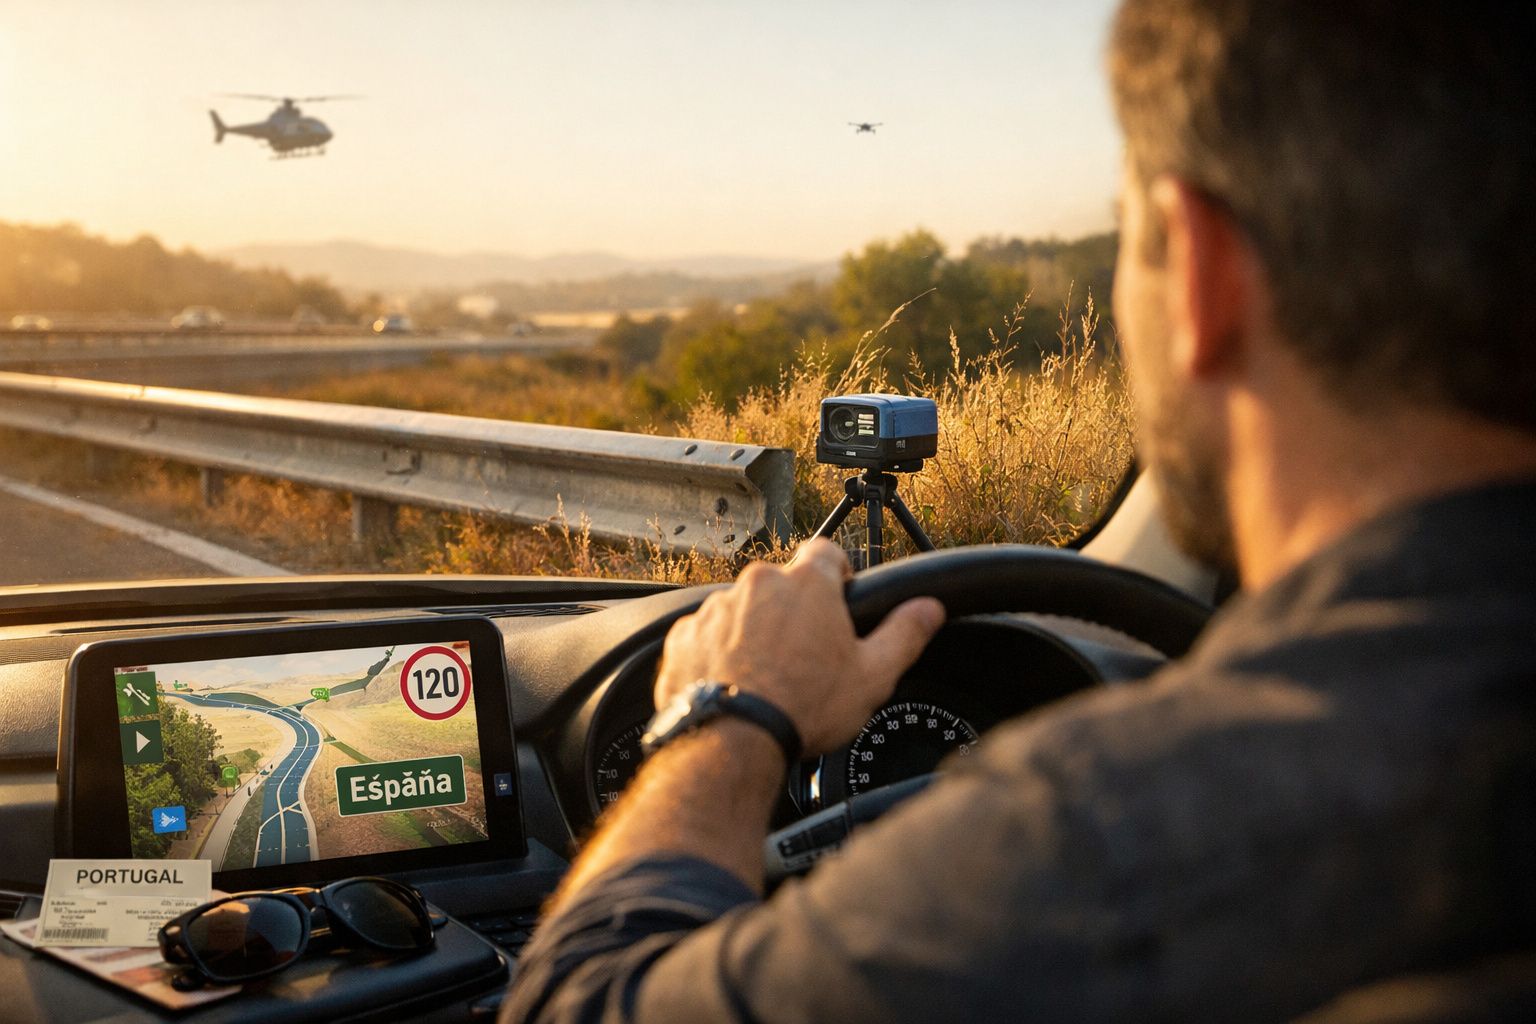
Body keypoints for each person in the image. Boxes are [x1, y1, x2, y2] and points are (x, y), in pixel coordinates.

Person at [502, 1, 1536, 1020]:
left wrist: (727, 717)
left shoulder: (1108, 838)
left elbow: (573, 1005)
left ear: (1204, 276)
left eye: (1131, 244)